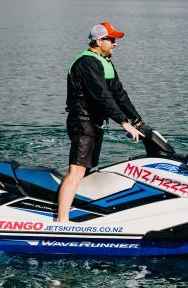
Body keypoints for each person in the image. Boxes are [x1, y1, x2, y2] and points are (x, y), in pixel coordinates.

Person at [57, 22, 143, 222]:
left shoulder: (104, 63)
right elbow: (101, 95)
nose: (115, 44)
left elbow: (119, 95)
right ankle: (62, 221)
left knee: (86, 169)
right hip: (82, 121)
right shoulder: (87, 63)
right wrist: (124, 122)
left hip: (93, 124)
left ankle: (80, 211)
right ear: (98, 41)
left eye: (114, 40)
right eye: (111, 39)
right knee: (77, 171)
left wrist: (137, 120)